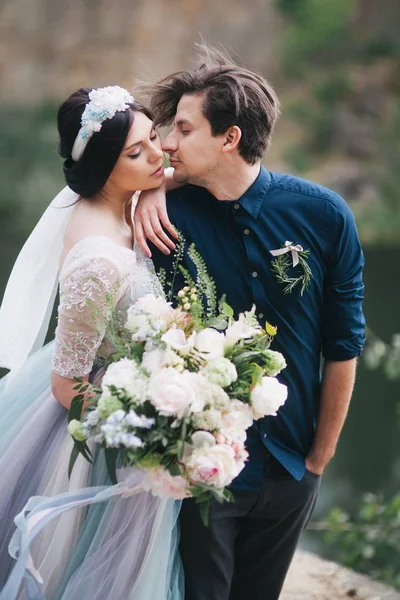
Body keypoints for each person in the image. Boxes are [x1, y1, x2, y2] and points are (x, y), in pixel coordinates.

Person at [134, 46, 366, 600]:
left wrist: (319, 459)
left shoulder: (324, 215)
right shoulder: (168, 215)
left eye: (183, 129)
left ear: (230, 138)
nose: (168, 143)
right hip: (199, 471)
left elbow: (344, 343)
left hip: (291, 467)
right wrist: (146, 191)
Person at [0, 85, 184, 600]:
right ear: (105, 165)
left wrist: (156, 186)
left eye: (153, 138)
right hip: (99, 429)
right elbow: (65, 384)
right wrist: (146, 432)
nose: (157, 155)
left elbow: (174, 168)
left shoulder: (120, 197)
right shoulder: (98, 259)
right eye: (136, 153)